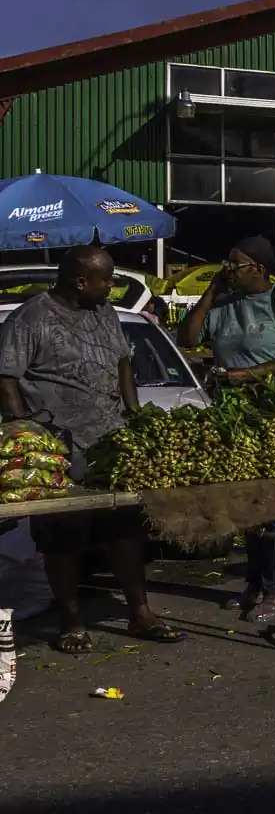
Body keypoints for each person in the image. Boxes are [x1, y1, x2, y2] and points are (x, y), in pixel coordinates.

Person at [0, 246, 183, 653]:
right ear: (80, 280)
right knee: (64, 537)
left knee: (126, 531)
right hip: (59, 448)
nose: (111, 285)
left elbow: (122, 365)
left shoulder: (104, 313)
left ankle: (140, 612)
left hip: (110, 442)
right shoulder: (32, 318)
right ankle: (72, 622)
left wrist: (136, 417)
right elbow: (6, 378)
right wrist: (26, 434)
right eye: (107, 278)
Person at [177, 236, 275, 620]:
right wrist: (209, 293)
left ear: (258, 267)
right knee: (247, 505)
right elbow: (186, 339)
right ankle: (255, 583)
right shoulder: (223, 304)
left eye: (234, 264)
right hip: (233, 418)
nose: (228, 269)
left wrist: (251, 375)